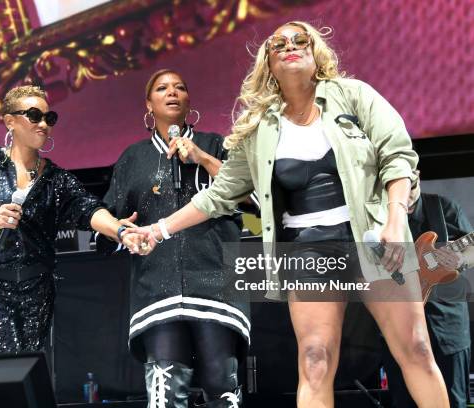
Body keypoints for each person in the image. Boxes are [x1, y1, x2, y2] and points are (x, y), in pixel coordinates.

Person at [132, 22, 450, 407]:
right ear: (269, 62)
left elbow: (398, 157)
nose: (291, 47)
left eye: (301, 40)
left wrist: (396, 219)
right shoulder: (260, 127)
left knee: (415, 348)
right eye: (279, 44)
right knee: (315, 360)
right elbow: (218, 196)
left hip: (374, 239)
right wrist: (159, 229)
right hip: (309, 250)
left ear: (317, 54)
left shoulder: (355, 96)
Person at [0, 85, 143, 354]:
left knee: (30, 368)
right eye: (34, 116)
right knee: (9, 364)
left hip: (37, 289)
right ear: (10, 121)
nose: (44, 124)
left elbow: (88, 209)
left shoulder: (56, 178)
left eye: (49, 118)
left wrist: (120, 230)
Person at [95, 69, 251, 408]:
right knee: (165, 392)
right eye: (162, 88)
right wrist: (121, 228)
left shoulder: (217, 145)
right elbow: (108, 220)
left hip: (216, 282)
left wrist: (203, 158)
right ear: (148, 105)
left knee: (220, 385)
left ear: (189, 101)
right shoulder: (132, 158)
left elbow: (251, 197)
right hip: (157, 286)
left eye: (180, 87)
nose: (172, 93)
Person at [382, 173, 474, 408]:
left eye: (411, 185)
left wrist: (458, 259)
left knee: (454, 400)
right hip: (401, 326)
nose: (408, 192)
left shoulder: (443, 208)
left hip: (447, 322)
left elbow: (471, 250)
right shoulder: (382, 217)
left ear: (418, 177)